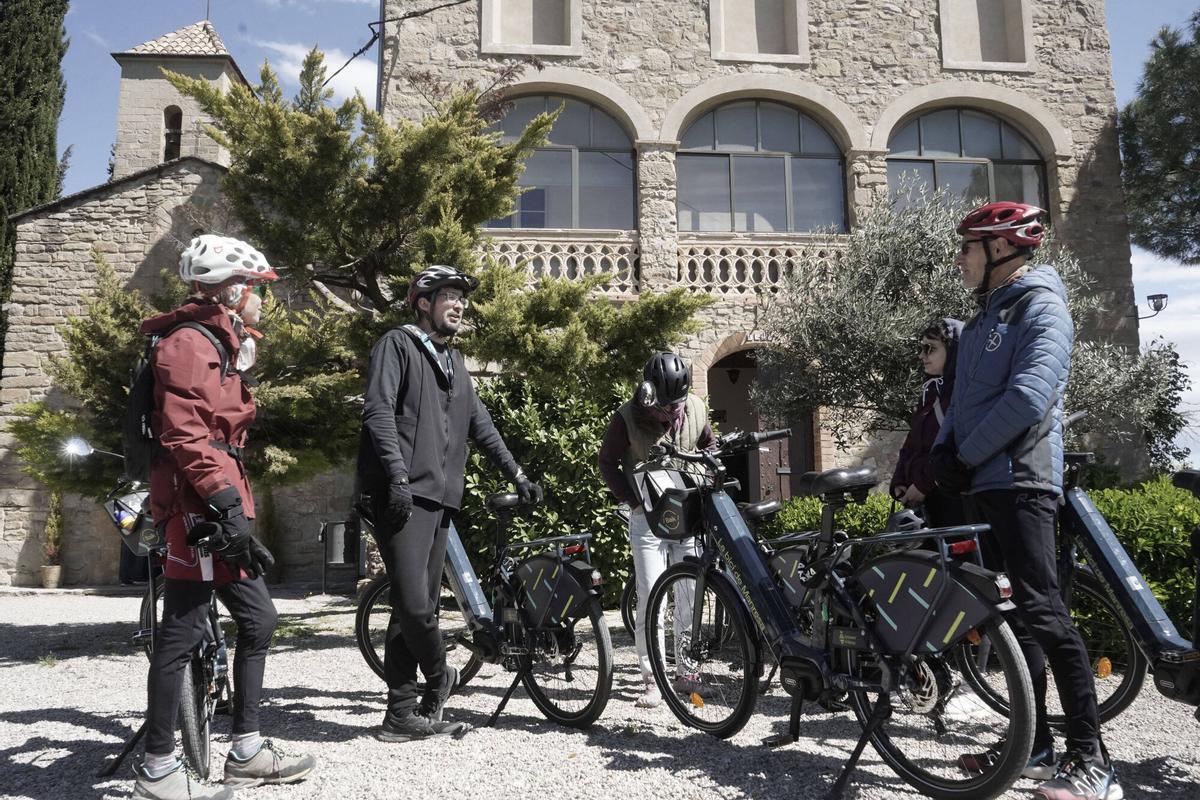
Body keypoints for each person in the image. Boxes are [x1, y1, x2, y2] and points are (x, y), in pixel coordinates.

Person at [930, 202, 1117, 800]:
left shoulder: (1043, 306)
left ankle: (1094, 763)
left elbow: (1030, 396)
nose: (959, 258)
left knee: (1045, 612)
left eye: (967, 247)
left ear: (1000, 250)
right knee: (1011, 619)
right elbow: (960, 402)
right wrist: (942, 449)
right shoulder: (987, 317)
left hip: (1022, 480)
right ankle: (1034, 746)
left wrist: (967, 455)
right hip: (984, 482)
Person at [134, 235, 315, 800]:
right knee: (182, 634)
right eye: (259, 290)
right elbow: (185, 434)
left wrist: (232, 504)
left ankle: (246, 750)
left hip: (216, 505)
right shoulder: (189, 343)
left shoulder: (218, 340)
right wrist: (226, 506)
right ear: (233, 291)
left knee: (258, 621)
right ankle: (159, 769)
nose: (265, 302)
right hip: (199, 511)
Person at [357, 263, 543, 742]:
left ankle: (400, 715)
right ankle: (442, 676)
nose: (459, 304)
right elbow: (378, 410)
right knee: (415, 605)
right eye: (449, 296)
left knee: (413, 612)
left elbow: (479, 424)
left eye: (462, 297)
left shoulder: (454, 362)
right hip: (400, 493)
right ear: (424, 302)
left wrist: (517, 473)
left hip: (441, 499)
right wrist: (396, 475)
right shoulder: (397, 345)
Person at [597, 352, 715, 708]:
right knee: (651, 595)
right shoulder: (628, 415)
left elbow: (709, 445)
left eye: (675, 407)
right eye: (664, 408)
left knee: (689, 596)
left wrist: (706, 478)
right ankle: (653, 678)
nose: (670, 415)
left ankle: (687, 673)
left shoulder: (694, 407)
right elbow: (607, 461)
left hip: (687, 513)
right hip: (647, 518)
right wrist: (630, 500)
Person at [889, 318, 966, 528]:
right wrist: (900, 482)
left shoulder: (964, 394)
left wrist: (923, 485)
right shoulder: (929, 393)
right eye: (922, 348)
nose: (922, 355)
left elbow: (957, 448)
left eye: (930, 348)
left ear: (953, 349)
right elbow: (911, 445)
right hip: (922, 504)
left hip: (951, 502)